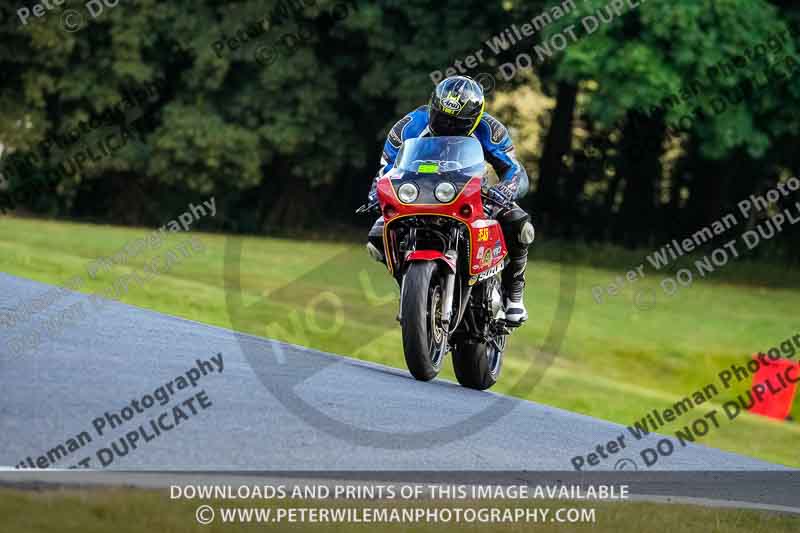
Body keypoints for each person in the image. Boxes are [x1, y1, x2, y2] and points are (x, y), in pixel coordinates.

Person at [365, 75, 534, 325]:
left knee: (520, 225)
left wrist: (507, 189)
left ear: (475, 118)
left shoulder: (491, 129)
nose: (448, 125)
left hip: (470, 190)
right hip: (419, 191)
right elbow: (386, 168)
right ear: (433, 106)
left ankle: (515, 294)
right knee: (378, 235)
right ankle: (410, 289)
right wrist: (374, 191)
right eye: (442, 117)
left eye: (457, 122)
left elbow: (514, 169)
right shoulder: (409, 125)